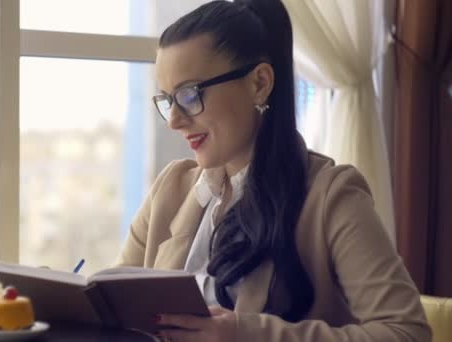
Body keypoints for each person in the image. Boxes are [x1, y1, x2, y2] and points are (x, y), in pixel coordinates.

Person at [115, 0, 431, 341]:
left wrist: (245, 334)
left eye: (190, 95)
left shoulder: (331, 197)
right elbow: (112, 302)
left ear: (259, 83)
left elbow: (407, 332)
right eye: (168, 100)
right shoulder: (171, 189)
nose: (175, 120)